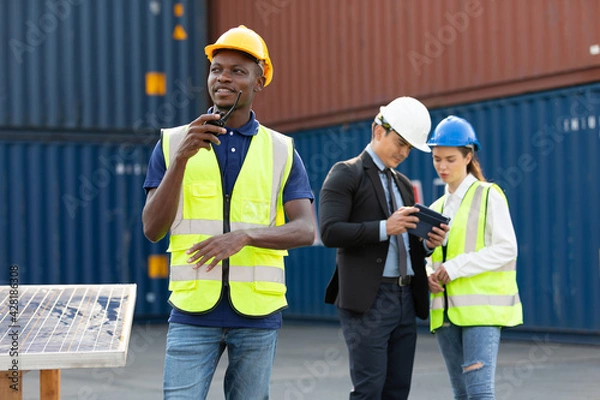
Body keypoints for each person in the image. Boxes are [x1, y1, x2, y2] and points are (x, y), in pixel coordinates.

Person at [141, 25, 315, 400]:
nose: (223, 77)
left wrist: (245, 236)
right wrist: (182, 160)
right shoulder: (173, 143)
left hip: (256, 315)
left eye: (238, 70)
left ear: (259, 81)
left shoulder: (283, 150)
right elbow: (153, 229)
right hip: (192, 312)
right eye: (217, 68)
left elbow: (305, 230)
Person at [319, 97, 448, 399]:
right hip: (370, 300)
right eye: (400, 143)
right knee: (369, 390)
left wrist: (427, 246)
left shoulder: (403, 184)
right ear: (378, 130)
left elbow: (406, 242)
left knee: (397, 390)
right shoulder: (345, 173)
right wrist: (384, 228)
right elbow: (329, 231)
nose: (404, 153)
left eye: (409, 148)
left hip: (405, 296)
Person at [426, 116, 523, 399]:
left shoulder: (488, 195)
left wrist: (455, 268)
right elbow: (432, 257)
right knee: (461, 393)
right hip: (444, 312)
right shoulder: (436, 206)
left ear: (469, 156)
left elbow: (507, 248)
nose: (442, 166)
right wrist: (428, 274)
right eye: (437, 159)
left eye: (450, 159)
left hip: (481, 311)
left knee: (479, 393)